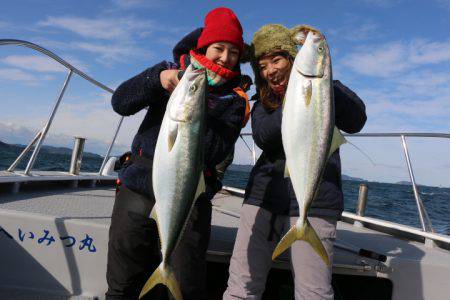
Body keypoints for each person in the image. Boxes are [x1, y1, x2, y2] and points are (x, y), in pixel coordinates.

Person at [106, 7, 251, 300]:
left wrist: (201, 104)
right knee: (122, 284)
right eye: (219, 48)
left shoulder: (235, 99)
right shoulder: (171, 72)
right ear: (204, 46)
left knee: (185, 289)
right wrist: (157, 79)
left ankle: (167, 270)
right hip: (137, 187)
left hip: (189, 197)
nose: (225, 57)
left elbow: (215, 150)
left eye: (233, 52)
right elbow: (121, 102)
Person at [223, 24, 367, 300]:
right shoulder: (263, 104)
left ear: (293, 58)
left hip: (316, 201)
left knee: (313, 293)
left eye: (276, 60)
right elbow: (264, 136)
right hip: (262, 199)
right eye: (262, 66)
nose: (270, 71)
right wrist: (297, 97)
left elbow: (357, 120)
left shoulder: (327, 89)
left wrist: (321, 78)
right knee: (241, 288)